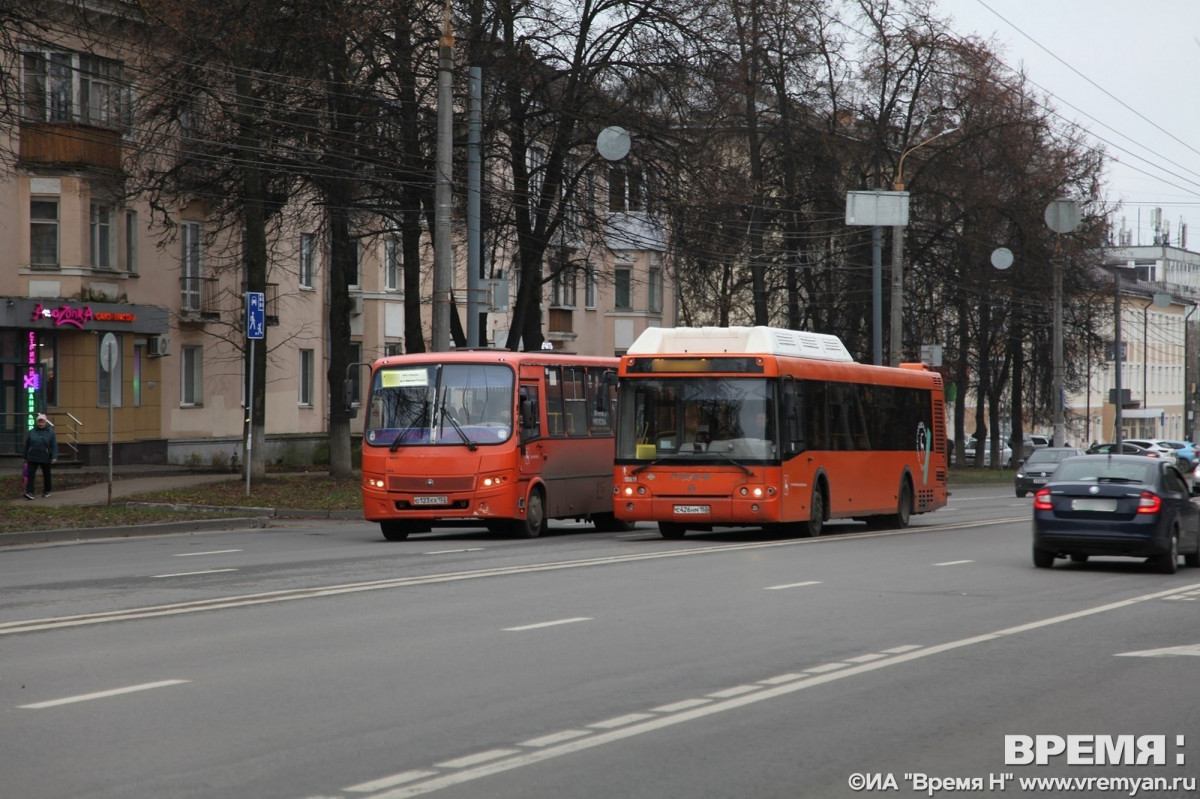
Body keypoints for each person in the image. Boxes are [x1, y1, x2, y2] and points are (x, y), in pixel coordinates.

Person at [23, 413, 58, 500]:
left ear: (45, 422)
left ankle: (47, 490)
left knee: (47, 475)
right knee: (30, 475)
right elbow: (27, 445)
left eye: (42, 422)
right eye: (39, 422)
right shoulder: (32, 432)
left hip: (45, 457)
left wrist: (54, 457)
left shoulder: (50, 433)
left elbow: (54, 445)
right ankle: (29, 492)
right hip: (33, 457)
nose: (40, 424)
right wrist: (25, 457)